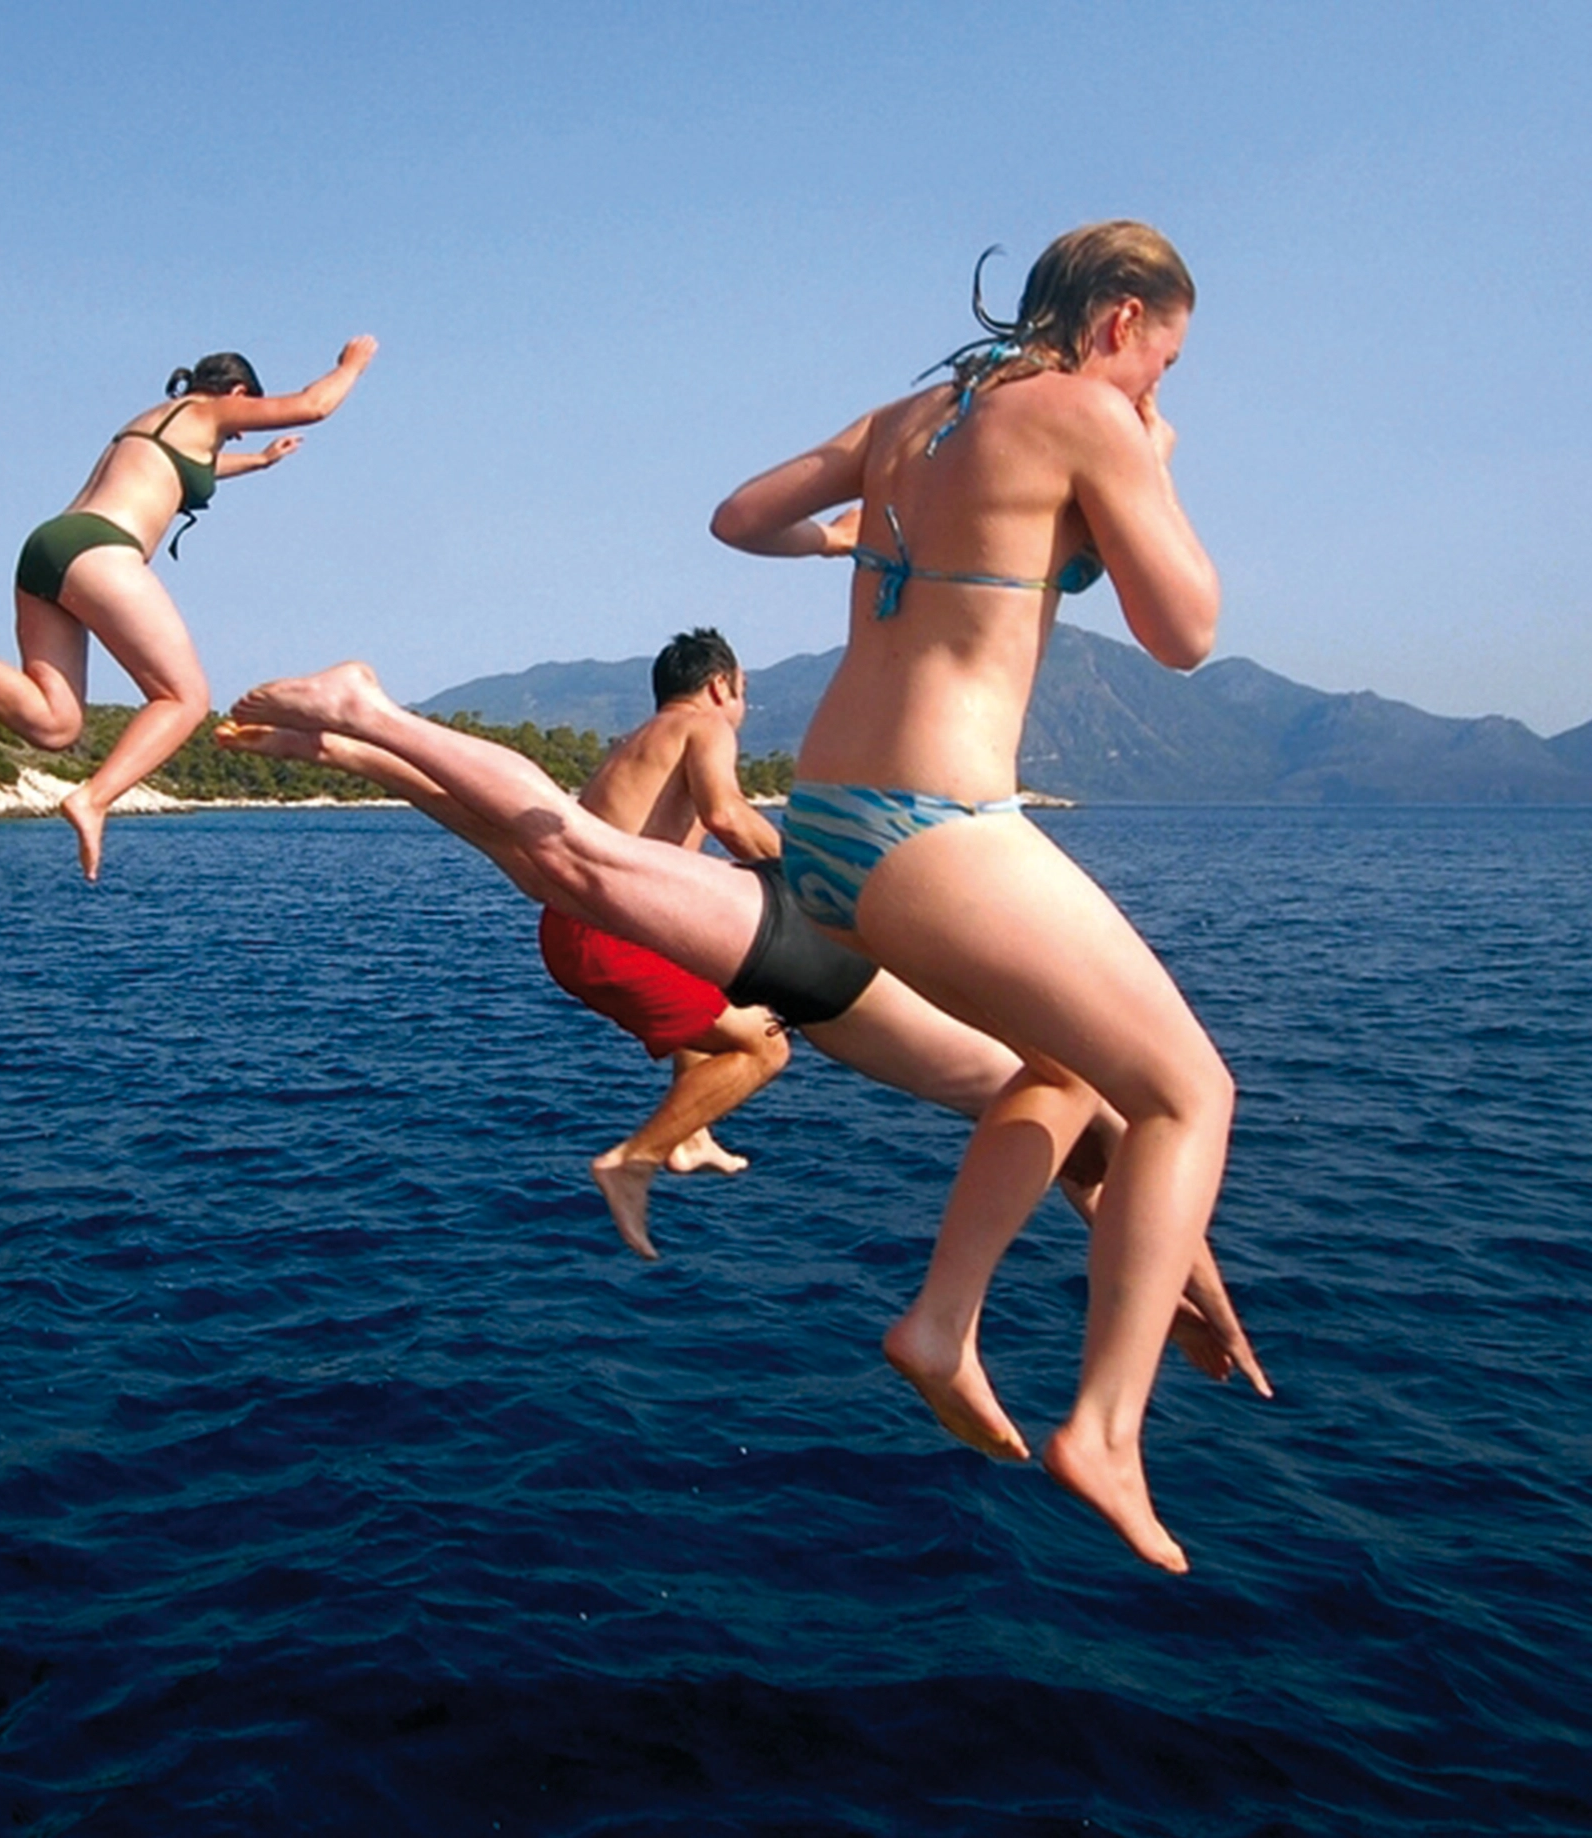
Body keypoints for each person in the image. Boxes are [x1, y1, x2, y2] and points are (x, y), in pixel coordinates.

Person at [219, 659, 1269, 1405]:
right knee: (574, 863)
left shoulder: (1064, 1090)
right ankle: (368, 713)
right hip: (824, 963)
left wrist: (1183, 1297)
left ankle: (353, 737)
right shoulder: (1079, 1092)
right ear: (722, 684)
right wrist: (1194, 1300)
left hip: (825, 953)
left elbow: (1123, 1180)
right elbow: (1139, 1170)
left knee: (557, 859)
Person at [705, 221, 1231, 1572]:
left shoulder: (912, 415)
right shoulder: (1088, 415)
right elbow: (1185, 632)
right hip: (935, 823)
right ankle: (1103, 1428)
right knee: (1188, 1095)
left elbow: (739, 518)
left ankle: (941, 1323)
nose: (1154, 385)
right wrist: (1152, 455)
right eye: (1162, 359)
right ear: (1120, 320)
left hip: (823, 817)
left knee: (1064, 1071)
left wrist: (853, 539)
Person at [0, 338, 376, 879]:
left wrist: (260, 463)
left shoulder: (151, 421)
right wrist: (352, 364)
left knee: (55, 726)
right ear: (238, 393)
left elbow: (196, 466)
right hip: (102, 550)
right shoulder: (210, 410)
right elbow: (314, 405)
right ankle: (94, 799)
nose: (238, 433)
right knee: (185, 699)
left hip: (47, 549)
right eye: (239, 426)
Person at [520, 628, 794, 1257]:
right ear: (720, 686)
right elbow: (727, 815)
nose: (742, 707)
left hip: (583, 923)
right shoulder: (706, 727)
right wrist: (814, 878)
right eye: (743, 691)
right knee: (765, 1048)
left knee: (722, 975)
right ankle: (632, 1162)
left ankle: (693, 1136)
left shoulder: (640, 741)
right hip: (605, 932)